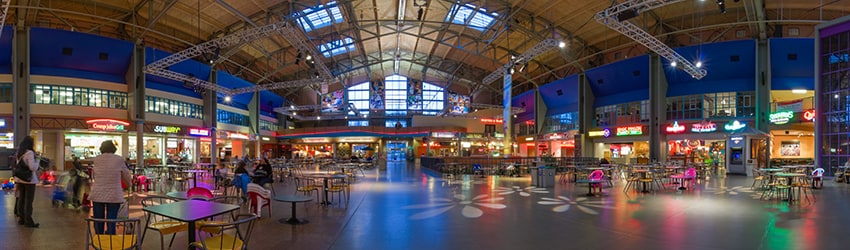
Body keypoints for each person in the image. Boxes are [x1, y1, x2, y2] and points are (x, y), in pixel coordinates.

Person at [89, 140, 132, 234]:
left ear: (101, 149)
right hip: (114, 194)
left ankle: (99, 240)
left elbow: (94, 176)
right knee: (111, 220)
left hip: (97, 194)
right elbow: (126, 175)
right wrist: (129, 185)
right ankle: (110, 240)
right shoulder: (119, 159)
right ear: (113, 148)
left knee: (98, 220)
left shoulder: (96, 159)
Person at [14, 136, 39, 228]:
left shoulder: (19, 153)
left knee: (21, 199)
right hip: (29, 180)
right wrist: (38, 161)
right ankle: (28, 221)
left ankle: (22, 219)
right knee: (28, 201)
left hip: (20, 179)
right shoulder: (29, 153)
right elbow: (32, 168)